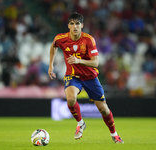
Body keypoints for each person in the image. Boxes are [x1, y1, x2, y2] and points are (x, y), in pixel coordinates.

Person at [48, 12, 124, 143]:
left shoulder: (88, 40)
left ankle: (114, 134)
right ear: (68, 26)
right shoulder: (60, 38)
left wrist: (79, 61)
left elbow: (95, 63)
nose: (75, 26)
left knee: (103, 109)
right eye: (72, 24)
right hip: (72, 76)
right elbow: (54, 46)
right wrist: (51, 65)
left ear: (82, 25)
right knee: (71, 99)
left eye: (77, 23)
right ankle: (80, 123)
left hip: (90, 77)